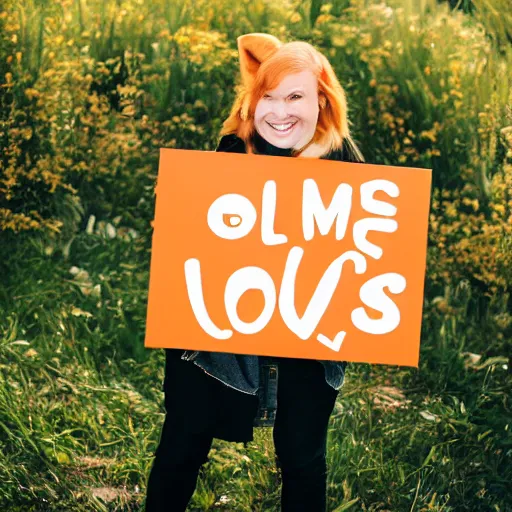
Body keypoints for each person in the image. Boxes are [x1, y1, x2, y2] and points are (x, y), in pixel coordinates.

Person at [145, 32, 364, 512]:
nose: (280, 111)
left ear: (321, 99)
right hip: (222, 330)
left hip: (307, 330)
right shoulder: (234, 147)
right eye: (268, 96)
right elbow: (198, 240)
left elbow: (366, 252)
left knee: (304, 458)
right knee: (183, 442)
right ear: (253, 97)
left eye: (295, 96)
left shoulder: (345, 164)